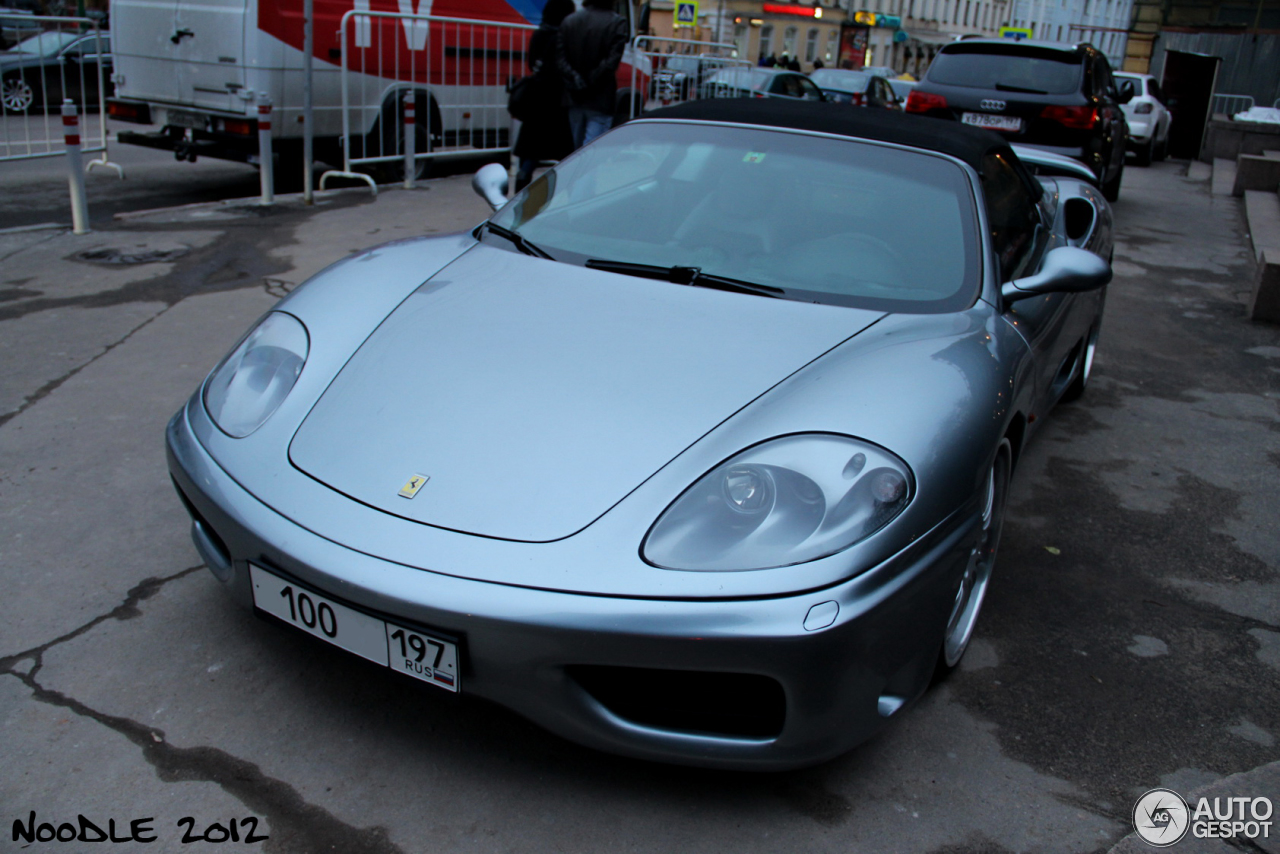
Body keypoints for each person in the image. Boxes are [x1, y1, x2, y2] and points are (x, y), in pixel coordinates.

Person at [511, 0, 575, 191]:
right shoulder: (563, 37)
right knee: (565, 155)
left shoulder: (539, 33)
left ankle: (520, 191)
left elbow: (532, 64)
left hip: (536, 99)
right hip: (556, 100)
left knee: (530, 151)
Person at [557, 0, 629, 149]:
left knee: (576, 151)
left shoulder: (570, 21)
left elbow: (560, 58)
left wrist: (575, 78)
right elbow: (611, 61)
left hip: (574, 95)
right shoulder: (617, 22)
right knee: (592, 150)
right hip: (600, 97)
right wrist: (592, 79)